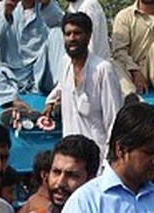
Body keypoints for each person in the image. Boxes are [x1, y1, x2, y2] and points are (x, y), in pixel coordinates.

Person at [48, 12, 122, 154]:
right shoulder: (65, 63)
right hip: (70, 154)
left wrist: (109, 161)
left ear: (88, 36)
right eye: (68, 34)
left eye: (77, 33)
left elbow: (113, 119)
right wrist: (50, 101)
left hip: (97, 156)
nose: (72, 38)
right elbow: (62, 86)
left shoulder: (103, 70)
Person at [0, 0, 60, 107]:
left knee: (58, 32)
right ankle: (11, 99)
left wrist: (47, 5)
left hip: (40, 74)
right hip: (10, 76)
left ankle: (59, 95)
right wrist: (6, 15)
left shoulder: (47, 5)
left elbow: (65, 27)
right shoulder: (3, 6)